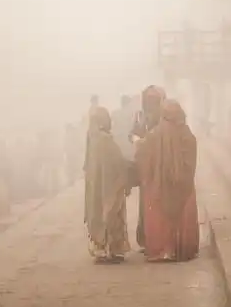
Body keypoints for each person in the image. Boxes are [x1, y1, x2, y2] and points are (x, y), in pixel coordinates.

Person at [136, 99, 199, 262]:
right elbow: (191, 159)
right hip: (182, 187)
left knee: (160, 217)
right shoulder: (186, 134)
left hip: (159, 186)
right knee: (181, 216)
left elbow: (143, 156)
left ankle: (162, 249)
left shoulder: (154, 134)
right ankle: (179, 249)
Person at [84, 106, 131, 263]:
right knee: (111, 213)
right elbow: (118, 161)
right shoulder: (105, 140)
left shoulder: (92, 139)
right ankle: (113, 249)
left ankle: (101, 248)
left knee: (98, 213)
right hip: (108, 185)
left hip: (95, 186)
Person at [129, 85, 166, 250]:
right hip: (146, 166)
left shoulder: (165, 117)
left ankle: (159, 238)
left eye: (153, 101)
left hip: (161, 166)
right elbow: (133, 133)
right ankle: (147, 237)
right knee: (146, 203)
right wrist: (136, 139)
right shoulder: (140, 116)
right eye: (148, 100)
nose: (150, 104)